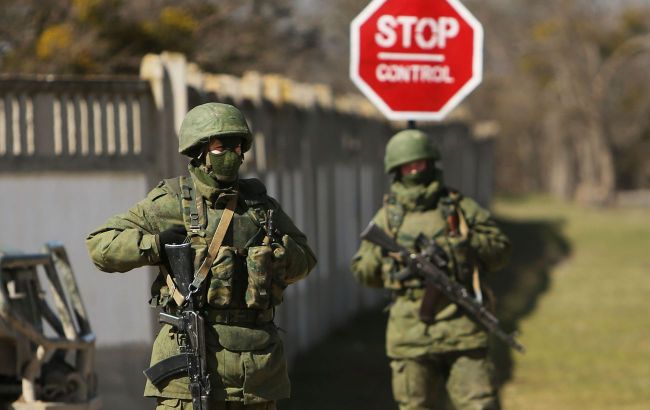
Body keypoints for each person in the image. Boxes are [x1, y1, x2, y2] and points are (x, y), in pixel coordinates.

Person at [86, 102, 317, 410]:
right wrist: (155, 245)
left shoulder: (260, 207)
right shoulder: (171, 201)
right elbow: (101, 246)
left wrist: (280, 255)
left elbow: (305, 260)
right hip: (191, 363)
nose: (232, 154)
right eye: (222, 146)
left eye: (237, 145)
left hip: (256, 371)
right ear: (200, 151)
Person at [350, 129, 511, 410]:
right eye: (407, 165)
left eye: (420, 163)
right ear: (396, 170)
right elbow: (363, 270)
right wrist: (392, 264)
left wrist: (465, 246)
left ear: (431, 163)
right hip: (409, 332)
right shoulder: (389, 217)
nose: (414, 169)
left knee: (480, 405)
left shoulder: (458, 207)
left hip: (462, 327)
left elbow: (500, 251)